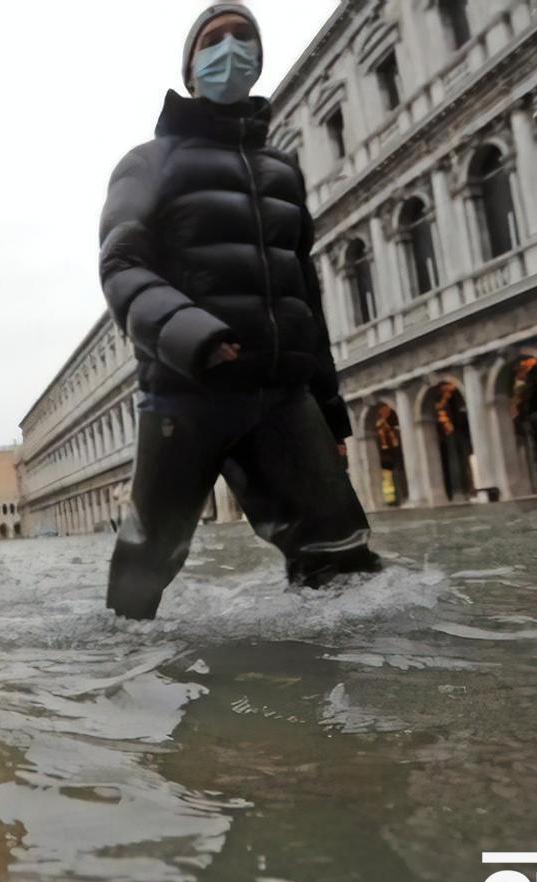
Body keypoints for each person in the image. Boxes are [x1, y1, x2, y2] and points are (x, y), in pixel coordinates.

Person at [99, 1, 381, 620]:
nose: (231, 49)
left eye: (243, 38)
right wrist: (195, 337)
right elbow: (121, 265)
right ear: (192, 66)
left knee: (344, 560)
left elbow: (305, 293)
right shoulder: (150, 162)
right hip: (184, 390)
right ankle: (122, 683)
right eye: (214, 39)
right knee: (148, 561)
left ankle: (340, 692)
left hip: (282, 394)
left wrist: (329, 414)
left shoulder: (283, 171)